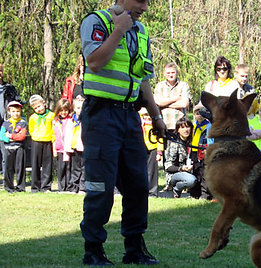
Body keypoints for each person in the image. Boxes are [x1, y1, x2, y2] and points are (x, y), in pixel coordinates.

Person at [79, 0, 166, 265]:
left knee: (139, 185)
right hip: (101, 115)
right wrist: (117, 31)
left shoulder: (141, 31)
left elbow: (143, 79)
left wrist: (156, 115)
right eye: (140, 1)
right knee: (101, 187)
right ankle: (93, 250)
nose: (145, 7)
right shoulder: (97, 21)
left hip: (129, 115)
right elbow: (94, 62)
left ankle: (134, 249)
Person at [164, 117, 197, 198]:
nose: (186, 130)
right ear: (178, 130)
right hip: (174, 174)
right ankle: (176, 189)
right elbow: (168, 167)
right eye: (182, 127)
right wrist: (182, 168)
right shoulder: (174, 143)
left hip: (191, 170)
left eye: (188, 127)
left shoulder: (193, 141)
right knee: (191, 180)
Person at [28, 94, 55, 193]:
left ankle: (46, 186)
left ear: (44, 103)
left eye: (39, 106)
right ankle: (35, 186)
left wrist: (53, 140)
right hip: (36, 141)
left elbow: (53, 129)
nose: (38, 109)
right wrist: (35, 136)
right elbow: (31, 129)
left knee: (47, 165)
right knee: (35, 164)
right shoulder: (33, 117)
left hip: (48, 141)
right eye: (35, 108)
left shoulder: (51, 115)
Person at [153, 62, 190, 131]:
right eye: (168, 73)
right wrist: (175, 99)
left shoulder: (183, 85)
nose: (170, 75)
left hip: (180, 126)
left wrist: (165, 104)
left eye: (173, 72)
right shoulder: (159, 86)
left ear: (177, 73)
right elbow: (158, 102)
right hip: (163, 125)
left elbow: (184, 104)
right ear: (164, 74)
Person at [0, 101, 27, 193]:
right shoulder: (5, 123)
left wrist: (11, 136)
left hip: (19, 148)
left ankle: (20, 187)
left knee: (20, 168)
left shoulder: (22, 123)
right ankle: (9, 187)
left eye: (18, 111)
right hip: (8, 148)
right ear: (9, 112)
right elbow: (2, 136)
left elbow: (22, 136)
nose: (16, 113)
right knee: (8, 168)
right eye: (14, 111)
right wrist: (9, 139)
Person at [189, 102, 212, 199]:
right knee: (196, 172)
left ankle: (205, 194)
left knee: (204, 173)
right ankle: (195, 193)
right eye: (197, 113)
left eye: (202, 113)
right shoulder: (194, 126)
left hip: (203, 151)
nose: (200, 116)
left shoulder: (208, 126)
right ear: (194, 115)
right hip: (194, 151)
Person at [139, 108, 164, 197]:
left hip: (153, 147)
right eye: (144, 115)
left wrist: (159, 152)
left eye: (148, 114)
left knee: (152, 171)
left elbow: (160, 137)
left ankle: (152, 192)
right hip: (141, 147)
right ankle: (141, 191)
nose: (146, 117)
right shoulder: (139, 122)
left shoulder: (155, 124)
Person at [63, 97, 85, 194]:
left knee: (85, 168)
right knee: (75, 168)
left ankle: (83, 188)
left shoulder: (87, 120)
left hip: (84, 147)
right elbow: (68, 134)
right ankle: (74, 187)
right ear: (74, 109)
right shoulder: (71, 120)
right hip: (74, 146)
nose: (80, 110)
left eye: (82, 108)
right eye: (78, 108)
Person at [52, 99, 73, 192]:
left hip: (68, 148)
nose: (63, 112)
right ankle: (61, 187)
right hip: (59, 148)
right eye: (61, 110)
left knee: (68, 168)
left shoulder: (71, 120)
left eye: (65, 110)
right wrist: (54, 149)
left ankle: (69, 186)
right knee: (61, 168)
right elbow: (53, 136)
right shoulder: (55, 121)